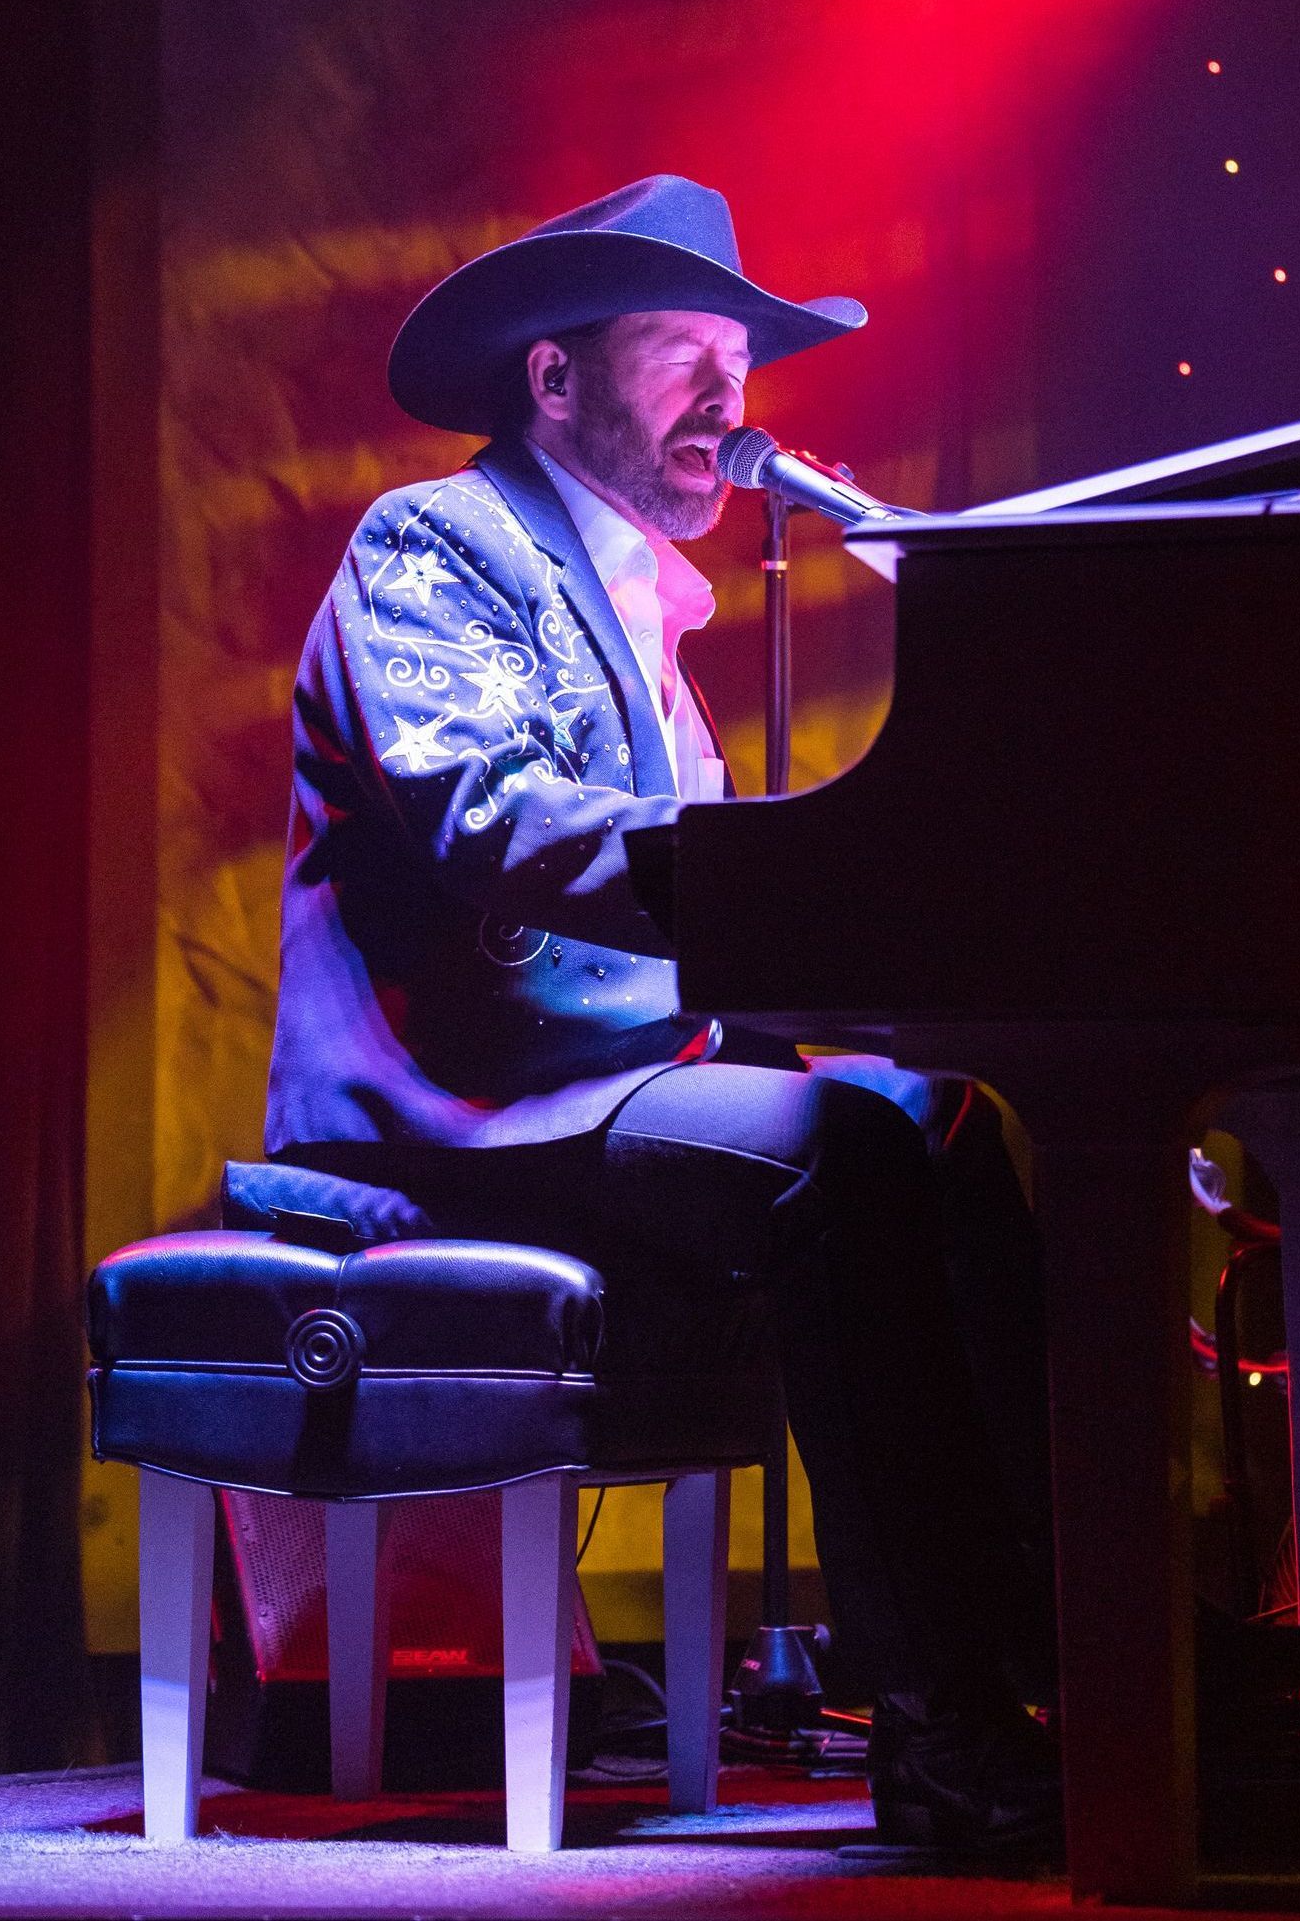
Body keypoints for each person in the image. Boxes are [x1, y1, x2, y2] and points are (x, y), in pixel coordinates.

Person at [264, 173, 1064, 1850]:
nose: (732, 396)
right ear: (554, 379)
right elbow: (493, 819)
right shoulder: (435, 542)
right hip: (460, 1108)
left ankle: (1071, 1652)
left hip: (608, 1087)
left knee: (953, 1120)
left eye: (739, 359)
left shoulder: (639, 599)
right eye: (686, 353)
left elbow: (687, 932)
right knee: (838, 1153)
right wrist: (802, 885)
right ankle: (943, 1724)